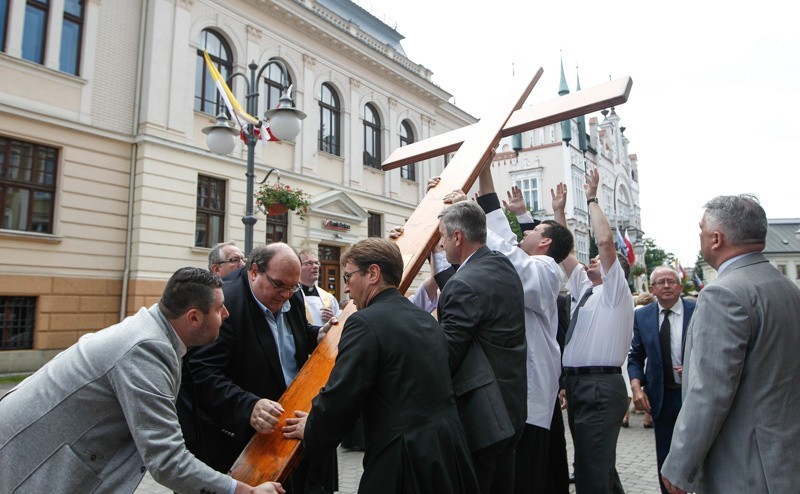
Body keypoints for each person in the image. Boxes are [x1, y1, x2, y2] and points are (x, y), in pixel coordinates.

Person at [0, 267, 283, 494]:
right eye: (220, 308)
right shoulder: (146, 349)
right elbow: (167, 461)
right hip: (28, 464)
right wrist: (245, 491)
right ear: (193, 317)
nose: (227, 314)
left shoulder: (153, 332)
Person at [282, 238, 479, 493]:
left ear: (373, 273)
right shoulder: (424, 319)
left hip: (403, 458)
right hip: (448, 452)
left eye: (349, 276)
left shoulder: (363, 323)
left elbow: (342, 393)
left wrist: (312, 428)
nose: (347, 288)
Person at [446, 164, 573, 494]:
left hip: (529, 398)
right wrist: (485, 170)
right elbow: (501, 228)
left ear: (544, 243)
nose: (523, 233)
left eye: (532, 231)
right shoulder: (528, 261)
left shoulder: (546, 271)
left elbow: (503, 250)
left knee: (525, 480)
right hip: (514, 393)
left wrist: (468, 218)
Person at [660, 195, 800, 494]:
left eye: (701, 229)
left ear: (716, 238)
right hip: (784, 457)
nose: (699, 236)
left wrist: (680, 465)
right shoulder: (787, 287)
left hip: (745, 464)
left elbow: (710, 391)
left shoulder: (723, 293)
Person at [178, 243, 337, 493]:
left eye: (292, 286)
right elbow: (200, 375)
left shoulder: (291, 292)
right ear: (254, 271)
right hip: (238, 443)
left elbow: (293, 336)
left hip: (286, 431)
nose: (286, 294)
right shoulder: (225, 303)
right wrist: (248, 406)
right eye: (279, 286)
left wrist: (317, 335)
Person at [436, 200, 527, 494]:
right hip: (512, 409)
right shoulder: (502, 265)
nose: (441, 243)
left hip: (481, 418)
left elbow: (446, 355)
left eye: (443, 237)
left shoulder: (462, 284)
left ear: (458, 236)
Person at [552, 170, 634, 494]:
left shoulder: (616, 292)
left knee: (591, 472)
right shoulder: (586, 289)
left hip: (599, 385)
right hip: (579, 384)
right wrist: (559, 212)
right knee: (595, 464)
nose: (595, 258)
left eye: (600, 260)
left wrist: (591, 199)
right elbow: (562, 254)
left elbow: (604, 241)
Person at [627, 267, 696, 494]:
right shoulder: (642, 315)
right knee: (665, 459)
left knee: (698, 454)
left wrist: (693, 368)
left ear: (680, 286)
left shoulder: (697, 310)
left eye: (671, 281)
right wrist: (636, 386)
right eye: (660, 282)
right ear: (652, 289)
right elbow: (636, 356)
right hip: (661, 398)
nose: (666, 285)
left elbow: (711, 350)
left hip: (693, 397)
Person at [298, 249, 340, 325]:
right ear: (298, 267)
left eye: (317, 263)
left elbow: (339, 324)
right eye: (309, 263)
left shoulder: (329, 298)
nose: (315, 267)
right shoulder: (292, 295)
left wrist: (333, 319)